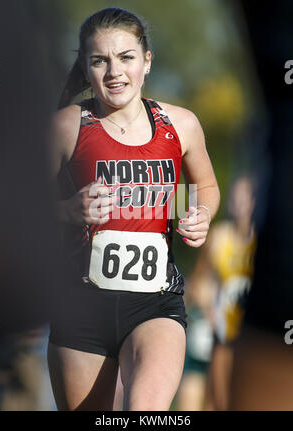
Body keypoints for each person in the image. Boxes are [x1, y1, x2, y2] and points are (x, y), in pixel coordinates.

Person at [47, 7, 220, 411]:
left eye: (125, 57)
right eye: (99, 60)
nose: (114, 72)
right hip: (81, 306)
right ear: (86, 68)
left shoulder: (181, 124)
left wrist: (202, 214)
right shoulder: (66, 126)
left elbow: (206, 187)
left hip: (155, 303)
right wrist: (67, 210)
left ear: (147, 60)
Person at [184, 176, 256, 410]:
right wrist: (207, 308)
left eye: (244, 199)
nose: (239, 205)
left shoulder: (260, 242)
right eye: (235, 198)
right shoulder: (218, 236)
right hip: (208, 331)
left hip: (240, 339)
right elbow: (197, 282)